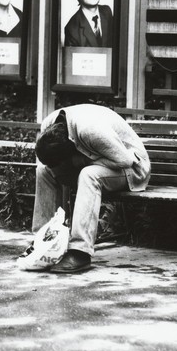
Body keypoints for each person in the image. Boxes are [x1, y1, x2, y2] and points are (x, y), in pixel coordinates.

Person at [31, 104, 151, 273]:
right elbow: (51, 162)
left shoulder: (90, 131)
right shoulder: (48, 125)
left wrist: (78, 162)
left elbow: (125, 161)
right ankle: (44, 244)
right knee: (44, 170)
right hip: (100, 162)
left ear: (71, 153)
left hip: (132, 169)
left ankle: (80, 252)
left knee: (89, 175)